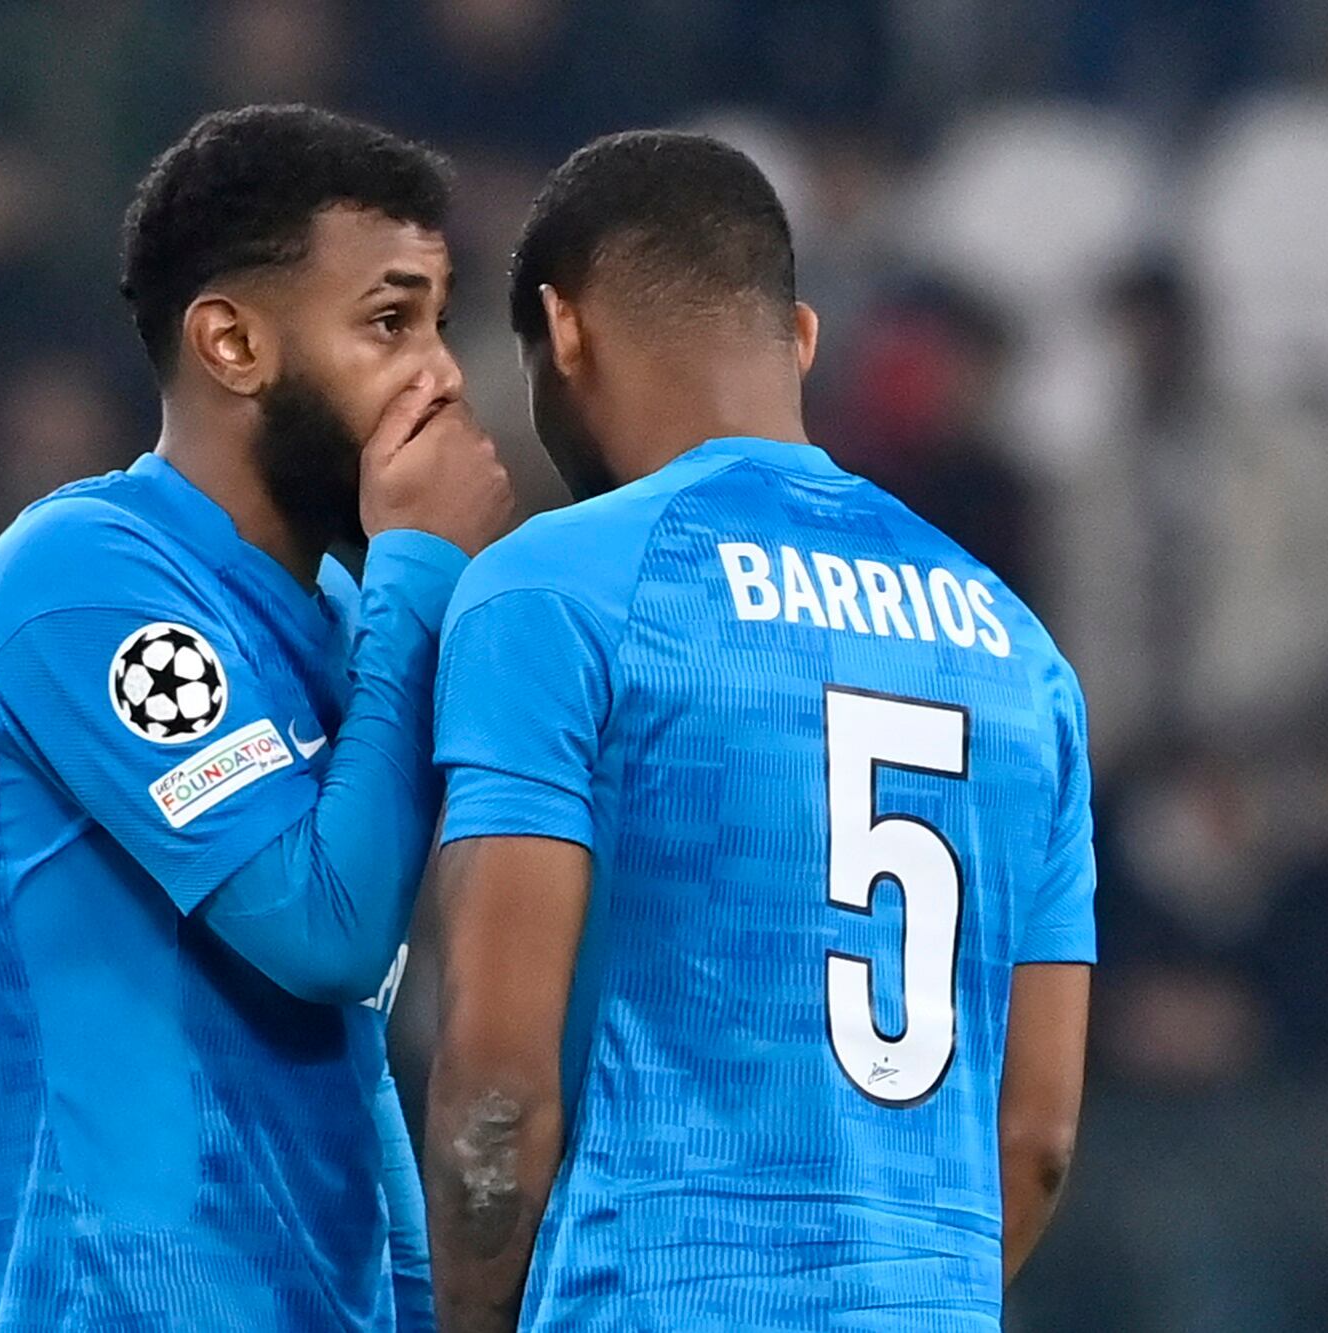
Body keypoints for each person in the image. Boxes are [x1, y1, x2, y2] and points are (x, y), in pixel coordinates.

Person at [421, 131, 1094, 1331]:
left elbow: (497, 1094)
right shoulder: (1016, 651)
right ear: (799, 341)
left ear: (561, 333)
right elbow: (1035, 1138)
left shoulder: (555, 592)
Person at [0, 104, 510, 1330]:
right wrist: (418, 563)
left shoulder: (354, 612)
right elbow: (325, 931)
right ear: (233, 342)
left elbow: (348, 1033)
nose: (443, 376)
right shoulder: (81, 577)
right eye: (389, 321)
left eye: (440, 325)